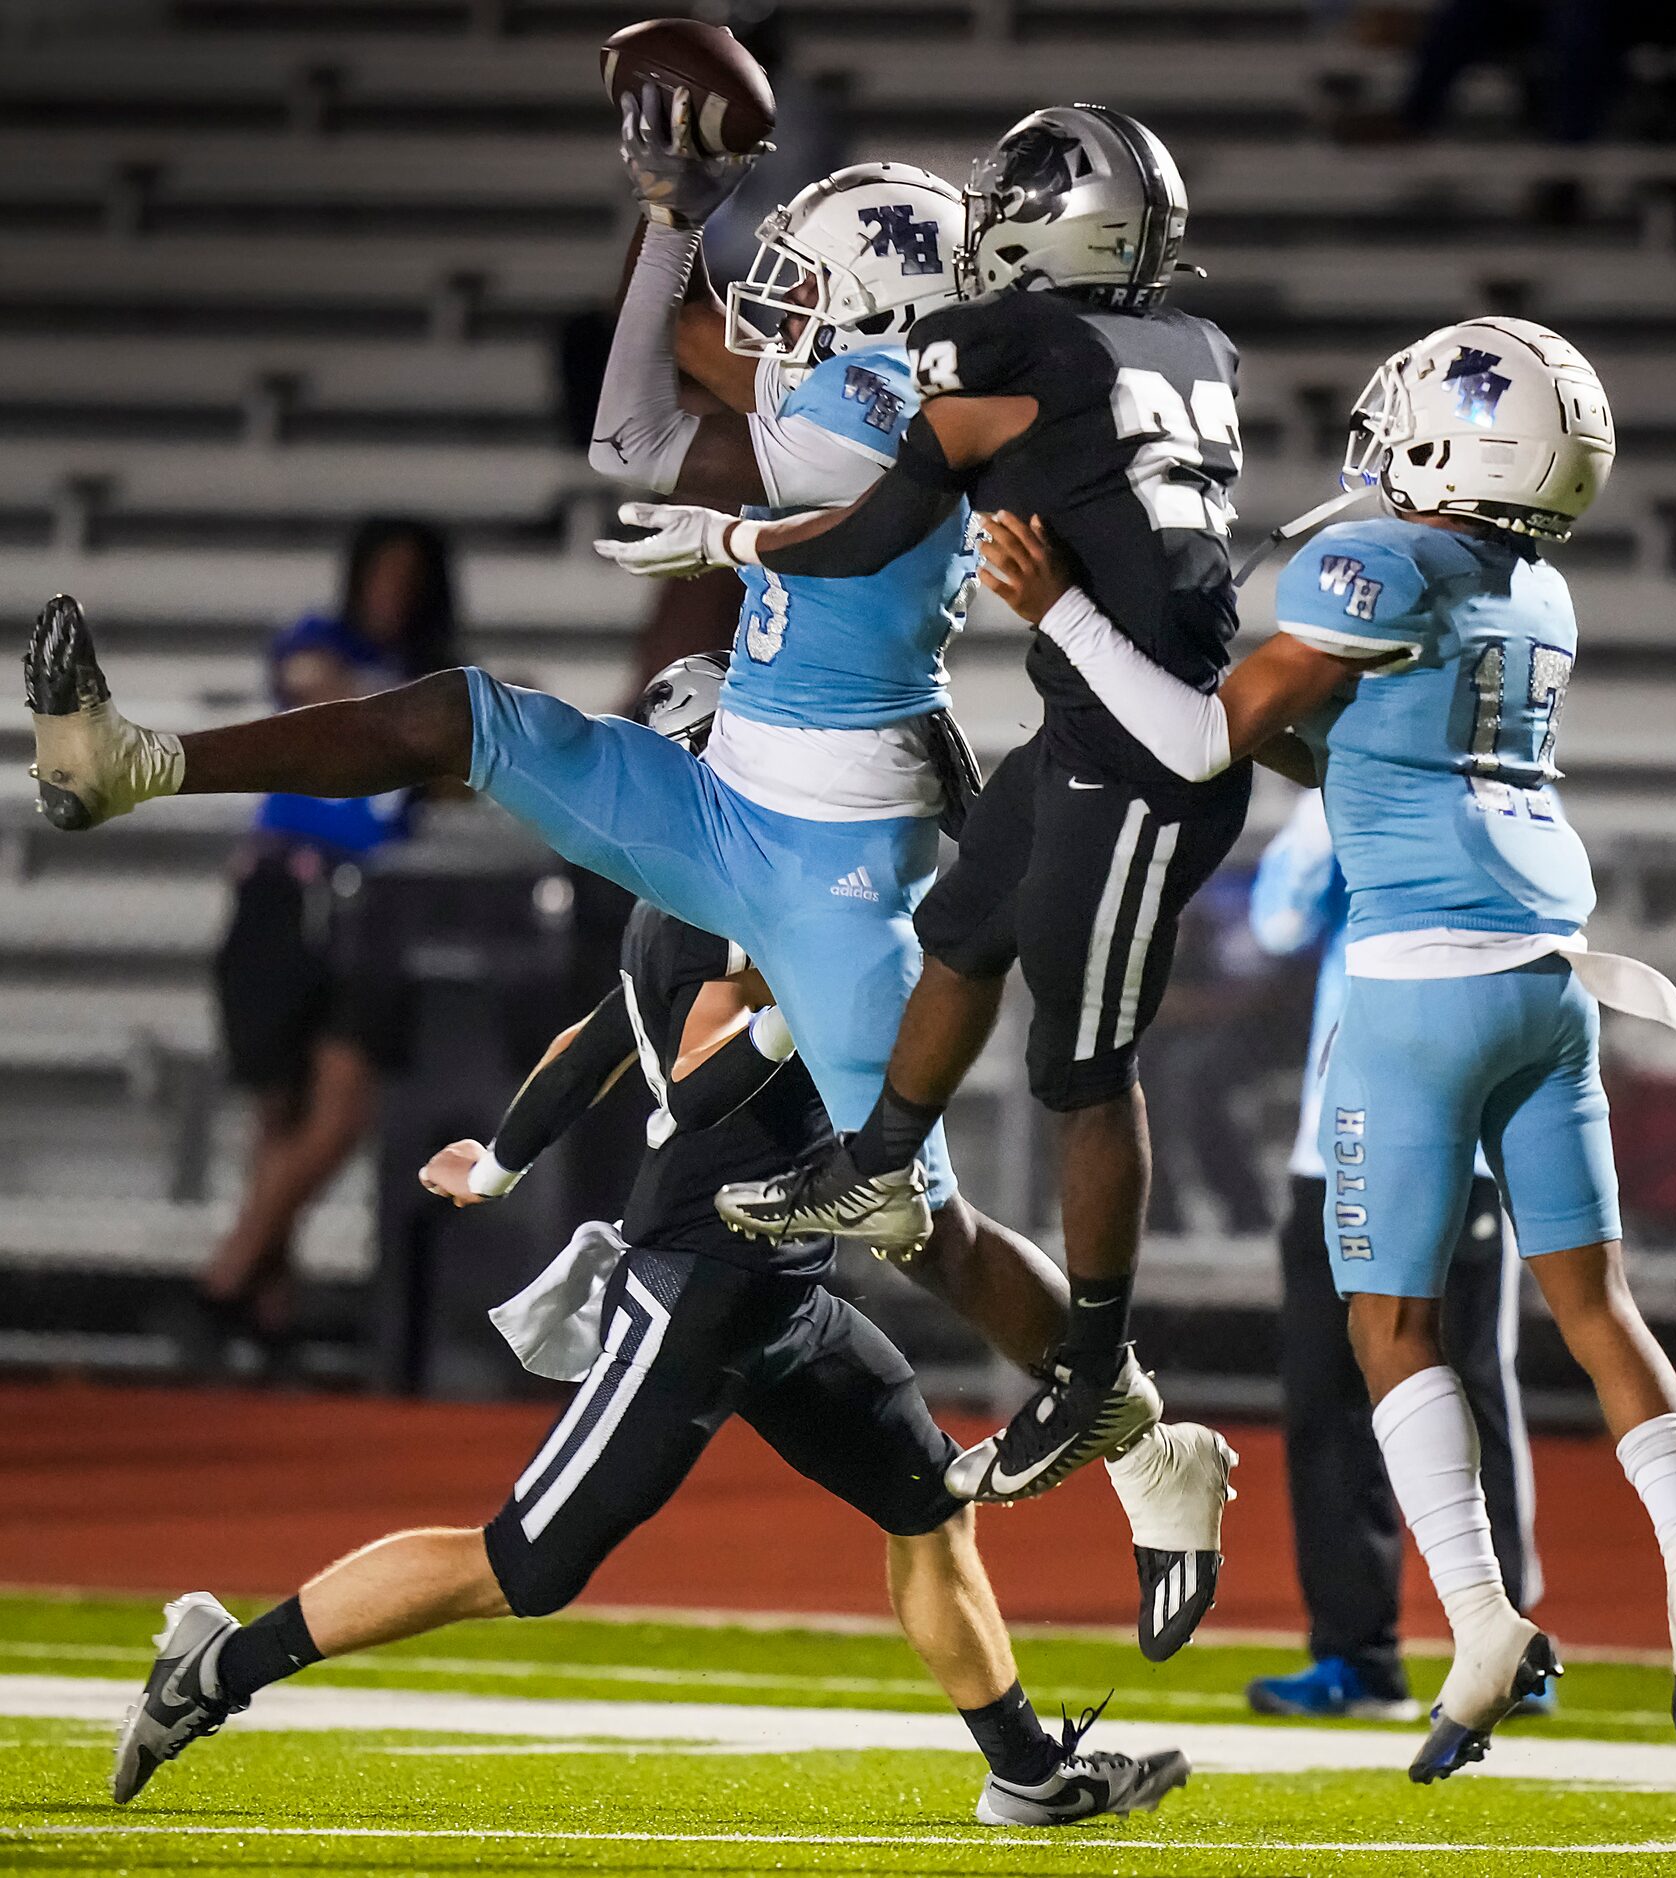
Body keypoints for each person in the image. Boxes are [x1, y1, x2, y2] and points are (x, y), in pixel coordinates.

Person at [22, 100, 1235, 1661]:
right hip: (730, 796)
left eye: (800, 290)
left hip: (832, 863)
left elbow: (647, 437)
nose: (770, 314)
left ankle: (1146, 1440)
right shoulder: (878, 385)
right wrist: (673, 219)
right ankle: (132, 760)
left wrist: (694, 311)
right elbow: (648, 432)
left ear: (873, 317)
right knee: (463, 715)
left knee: (916, 1222)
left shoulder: (882, 400)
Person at [108, 661, 1191, 1831]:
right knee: (524, 1567)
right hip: (698, 1281)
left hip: (780, 1289)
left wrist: (504, 1162)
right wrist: (797, 1006)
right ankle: (215, 1668)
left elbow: (592, 1044)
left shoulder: (707, 893)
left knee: (927, 1503)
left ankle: (1024, 1770)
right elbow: (701, 1075)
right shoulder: (722, 910)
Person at [951, 315, 1676, 1779]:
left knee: (1392, 1331)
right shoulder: (1539, 591)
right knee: (1598, 1307)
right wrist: (1262, 710)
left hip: (1415, 988)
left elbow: (1200, 745)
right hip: (1549, 983)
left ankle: (1480, 1622)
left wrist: (1065, 615)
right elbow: (1369, 740)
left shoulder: (1371, 564)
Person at [601, 105, 1257, 1517]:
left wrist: (733, 535)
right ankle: (875, 1164)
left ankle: (1101, 1389)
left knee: (1079, 1078)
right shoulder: (1183, 349)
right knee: (958, 945)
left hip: (1092, 746)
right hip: (1058, 725)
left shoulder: (982, 360)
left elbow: (877, 511)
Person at [1244, 791, 1542, 1722]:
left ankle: (1509, 1646)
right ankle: (1356, 1656)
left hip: (1464, 1146)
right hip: (1331, 1153)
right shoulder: (1341, 798)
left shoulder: (1501, 791)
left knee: (1473, 1393)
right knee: (1329, 1405)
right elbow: (1277, 921)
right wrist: (1336, 806)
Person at [203, 517, 457, 1359]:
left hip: (374, 900)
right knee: (277, 1101)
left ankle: (229, 1275)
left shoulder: (434, 675)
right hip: (289, 886)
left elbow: (453, 774)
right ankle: (265, 1305)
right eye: (383, 572)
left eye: (409, 575)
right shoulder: (329, 642)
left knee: (342, 1105)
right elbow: (313, 684)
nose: (394, 590)